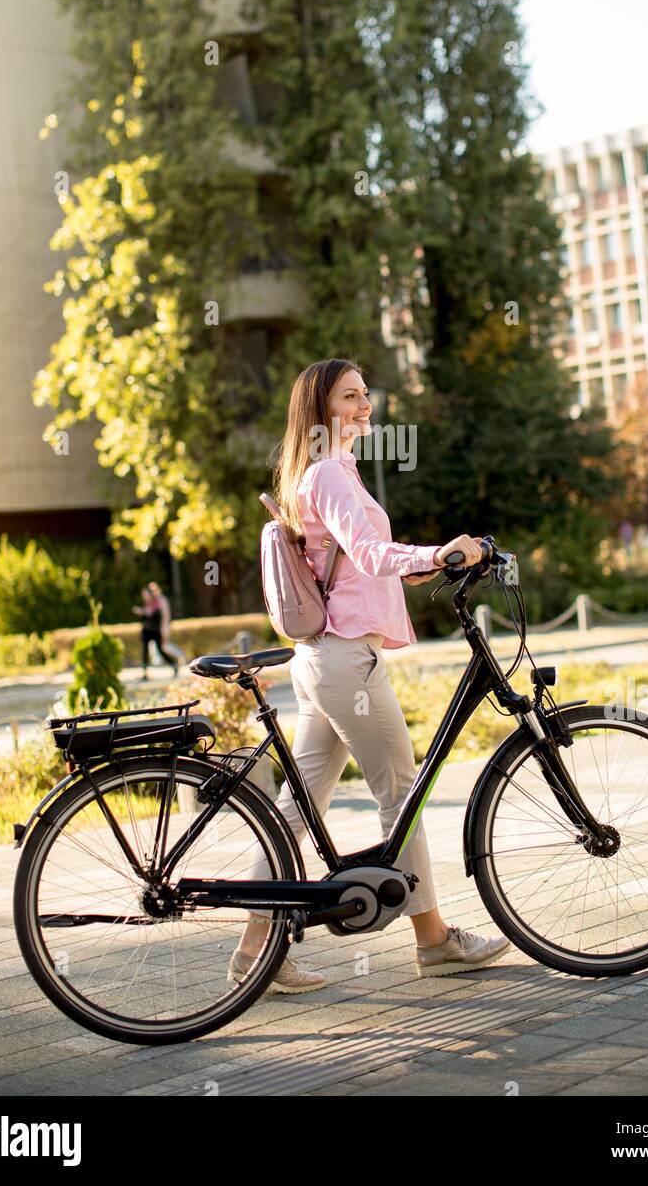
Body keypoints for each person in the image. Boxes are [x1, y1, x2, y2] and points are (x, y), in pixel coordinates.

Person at [229, 358, 510, 994]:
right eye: (350, 396)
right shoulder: (328, 472)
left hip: (326, 660)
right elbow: (372, 554)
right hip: (346, 662)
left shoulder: (333, 470)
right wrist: (436, 552)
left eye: (365, 396)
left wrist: (430, 564)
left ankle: (252, 957)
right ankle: (434, 941)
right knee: (400, 793)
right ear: (322, 407)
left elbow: (362, 565)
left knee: (294, 814)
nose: (365, 406)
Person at [133, 584, 179, 679]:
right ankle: (145, 673)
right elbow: (145, 617)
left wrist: (142, 612)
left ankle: (174, 664)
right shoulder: (146, 604)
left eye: (146, 593)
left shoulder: (156, 602)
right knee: (145, 652)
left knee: (161, 650)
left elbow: (154, 615)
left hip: (155, 631)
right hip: (147, 631)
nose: (144, 596)